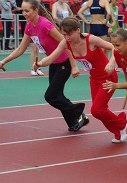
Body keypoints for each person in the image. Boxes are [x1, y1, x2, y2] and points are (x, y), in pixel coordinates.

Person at [35, 17, 127, 143]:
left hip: (108, 77)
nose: (67, 37)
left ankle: (122, 123)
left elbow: (113, 48)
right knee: (100, 111)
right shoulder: (66, 43)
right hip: (94, 79)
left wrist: (112, 62)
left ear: (78, 30)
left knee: (97, 110)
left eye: (69, 34)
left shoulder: (90, 39)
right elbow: (52, 57)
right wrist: (40, 64)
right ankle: (119, 130)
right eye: (64, 34)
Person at [0, 0, 87, 132]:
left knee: (50, 96)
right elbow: (20, 49)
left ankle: (78, 112)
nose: (24, 13)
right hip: (54, 63)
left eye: (27, 10)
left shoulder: (45, 24)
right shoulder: (29, 26)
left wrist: (74, 66)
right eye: (22, 10)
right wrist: (4, 61)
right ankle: (74, 121)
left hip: (64, 63)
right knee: (57, 95)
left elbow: (66, 43)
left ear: (36, 10)